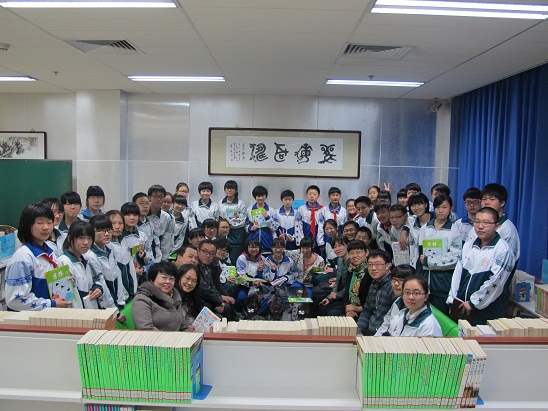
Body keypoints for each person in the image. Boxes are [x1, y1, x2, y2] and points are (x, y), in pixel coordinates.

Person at [448, 207, 516, 325]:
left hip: (486, 310)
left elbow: (495, 281)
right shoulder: (469, 245)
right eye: (477, 222)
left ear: (497, 226)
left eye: (486, 223)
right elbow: (457, 273)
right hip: (461, 306)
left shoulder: (503, 250)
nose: (480, 226)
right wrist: (452, 299)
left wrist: (473, 303)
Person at [5, 203, 73, 311]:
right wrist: (51, 304)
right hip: (27, 320)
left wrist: (63, 283)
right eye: (40, 223)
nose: (46, 227)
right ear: (27, 225)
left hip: (47, 316)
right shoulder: (23, 258)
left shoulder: (50, 252)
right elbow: (15, 300)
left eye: (49, 222)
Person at [417, 195, 462, 315]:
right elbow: (420, 254)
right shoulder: (425, 228)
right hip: (425, 280)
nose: (441, 210)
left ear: (451, 208)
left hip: (442, 281)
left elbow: (456, 257)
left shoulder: (454, 230)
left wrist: (429, 262)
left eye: (444, 207)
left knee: (441, 316)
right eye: (438, 207)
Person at [58, 220, 110, 309]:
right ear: (70, 239)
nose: (86, 242)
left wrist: (97, 288)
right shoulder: (64, 261)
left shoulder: (85, 259)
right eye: (81, 238)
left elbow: (92, 283)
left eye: (89, 238)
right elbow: (65, 297)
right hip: (77, 314)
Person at [378, 275, 443, 337]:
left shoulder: (428, 325)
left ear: (426, 296)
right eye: (407, 292)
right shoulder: (404, 314)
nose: (411, 297)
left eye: (416, 293)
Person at [87, 215, 126, 311]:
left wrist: (120, 301)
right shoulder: (90, 255)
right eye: (101, 231)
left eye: (109, 230)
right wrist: (113, 310)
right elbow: (102, 284)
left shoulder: (110, 248)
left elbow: (117, 275)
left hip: (117, 302)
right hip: (104, 308)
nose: (107, 234)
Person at [132, 261, 184, 331]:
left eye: (171, 279)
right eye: (163, 277)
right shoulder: (142, 299)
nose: (168, 282)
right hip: (153, 337)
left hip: (177, 336)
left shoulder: (175, 298)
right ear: (152, 279)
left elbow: (183, 325)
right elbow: (145, 329)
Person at [357, 249, 397, 336]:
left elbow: (395, 320)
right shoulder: (374, 283)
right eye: (370, 265)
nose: (373, 268)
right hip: (369, 331)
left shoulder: (393, 286)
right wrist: (359, 330)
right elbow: (366, 311)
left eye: (378, 264)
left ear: (387, 266)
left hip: (383, 335)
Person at [196, 239, 235, 319]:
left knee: (228, 303)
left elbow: (213, 285)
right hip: (199, 301)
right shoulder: (195, 267)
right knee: (223, 310)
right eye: (205, 251)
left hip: (208, 299)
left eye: (212, 253)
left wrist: (223, 298)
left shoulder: (210, 266)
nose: (208, 255)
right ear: (198, 251)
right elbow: (204, 288)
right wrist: (219, 300)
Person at [375, 264, 416, 335]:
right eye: (394, 280)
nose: (396, 284)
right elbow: (385, 325)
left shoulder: (414, 307)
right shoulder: (398, 301)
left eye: (401, 280)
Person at [119, 201, 152, 287]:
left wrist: (144, 255)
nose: (132, 218)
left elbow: (150, 258)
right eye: (128, 215)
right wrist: (132, 271)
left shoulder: (142, 236)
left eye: (135, 215)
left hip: (141, 277)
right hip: (125, 279)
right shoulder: (119, 237)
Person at [318, 236, 350, 316]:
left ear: (348, 245)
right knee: (320, 302)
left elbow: (350, 287)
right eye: (335, 247)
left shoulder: (352, 262)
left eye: (340, 245)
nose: (337, 249)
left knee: (331, 312)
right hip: (341, 294)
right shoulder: (340, 260)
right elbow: (338, 281)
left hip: (348, 297)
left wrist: (337, 295)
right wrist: (330, 297)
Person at [341, 240, 371, 320]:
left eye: (358, 252)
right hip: (350, 309)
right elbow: (346, 293)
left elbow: (372, 302)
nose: (355, 256)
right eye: (351, 253)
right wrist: (349, 308)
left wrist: (357, 309)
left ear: (366, 253)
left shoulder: (370, 272)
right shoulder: (351, 269)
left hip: (365, 311)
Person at [235, 239, 268, 311]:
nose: (254, 249)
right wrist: (251, 283)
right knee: (241, 298)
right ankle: (239, 312)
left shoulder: (262, 258)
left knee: (263, 298)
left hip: (258, 285)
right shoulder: (241, 258)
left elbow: (266, 275)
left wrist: (260, 271)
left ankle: (258, 313)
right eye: (251, 247)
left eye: (256, 247)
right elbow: (240, 276)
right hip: (244, 285)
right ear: (247, 247)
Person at [218, 180, 247, 263]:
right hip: (223, 234)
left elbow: (242, 220)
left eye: (232, 188)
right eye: (227, 188)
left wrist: (229, 225)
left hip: (236, 235)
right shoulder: (220, 203)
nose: (230, 190)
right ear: (224, 190)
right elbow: (218, 218)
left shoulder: (240, 204)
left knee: (234, 259)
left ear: (236, 190)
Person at [147, 184, 175, 262]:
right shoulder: (143, 214)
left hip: (158, 254)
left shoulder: (166, 217)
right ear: (149, 197)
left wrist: (164, 260)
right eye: (155, 196)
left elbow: (166, 241)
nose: (158, 199)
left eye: (161, 196)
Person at [246, 185, 276, 255]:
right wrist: (250, 228)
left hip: (267, 242)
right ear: (255, 197)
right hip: (253, 242)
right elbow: (245, 225)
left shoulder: (271, 210)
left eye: (262, 196)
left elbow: (274, 227)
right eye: (258, 196)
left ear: (265, 196)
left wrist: (267, 217)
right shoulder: (249, 210)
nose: (260, 198)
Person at [175, 263, 204, 331]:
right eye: (187, 278)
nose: (189, 283)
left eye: (194, 281)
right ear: (179, 277)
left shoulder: (194, 298)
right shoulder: (172, 297)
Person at [407, 192, 433, 269]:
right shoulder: (412, 226)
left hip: (434, 265)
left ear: (426, 204)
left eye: (419, 204)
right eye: (413, 205)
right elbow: (412, 249)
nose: (416, 208)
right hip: (418, 266)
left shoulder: (436, 222)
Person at [295, 185, 324, 250]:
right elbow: (298, 226)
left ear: (318, 196)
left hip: (318, 242)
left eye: (314, 194)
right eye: (310, 194)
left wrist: (321, 242)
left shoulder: (322, 209)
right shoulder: (301, 209)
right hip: (305, 240)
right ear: (306, 195)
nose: (312, 196)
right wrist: (301, 242)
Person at [133, 192, 158, 263]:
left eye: (147, 203)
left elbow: (155, 244)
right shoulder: (132, 225)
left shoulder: (150, 224)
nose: (145, 206)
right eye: (141, 203)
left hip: (150, 260)